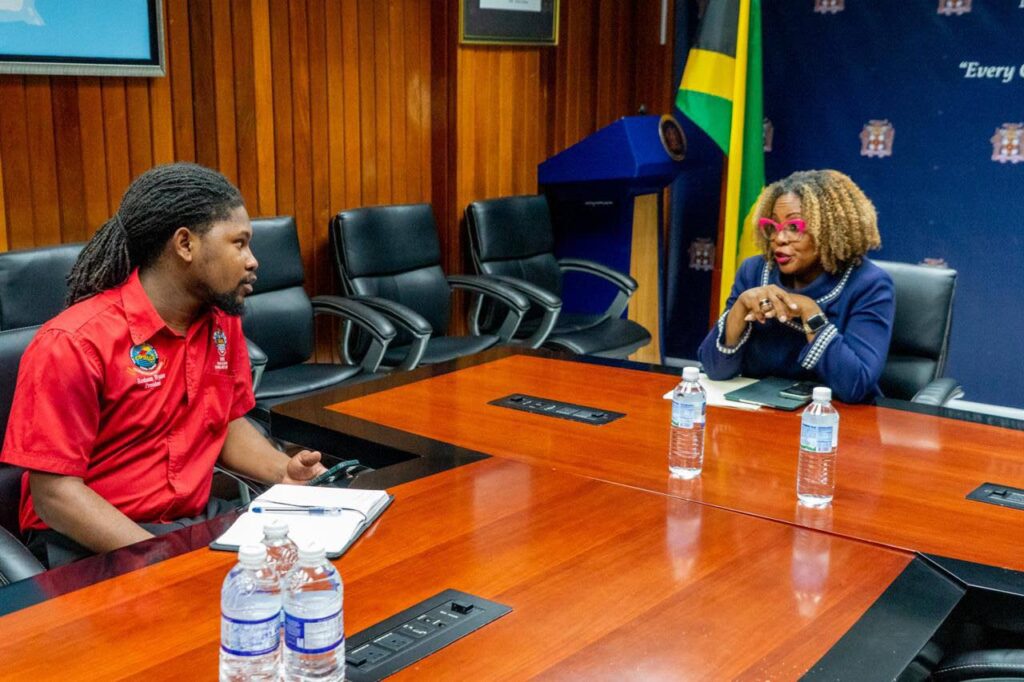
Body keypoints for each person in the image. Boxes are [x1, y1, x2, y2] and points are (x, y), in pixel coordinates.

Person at [0, 162, 328, 567]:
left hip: (186, 526)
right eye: (239, 243)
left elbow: (223, 422)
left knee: (313, 566)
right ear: (185, 244)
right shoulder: (73, 342)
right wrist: (158, 559)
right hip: (90, 541)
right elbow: (55, 496)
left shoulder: (220, 322)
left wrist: (282, 472)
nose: (252, 261)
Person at [697, 169, 894, 403]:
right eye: (773, 226)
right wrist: (739, 309)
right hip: (760, 410)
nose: (779, 239)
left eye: (794, 227)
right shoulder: (754, 271)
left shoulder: (869, 284)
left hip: (832, 417)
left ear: (829, 229)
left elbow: (855, 386)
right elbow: (715, 370)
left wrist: (810, 312)